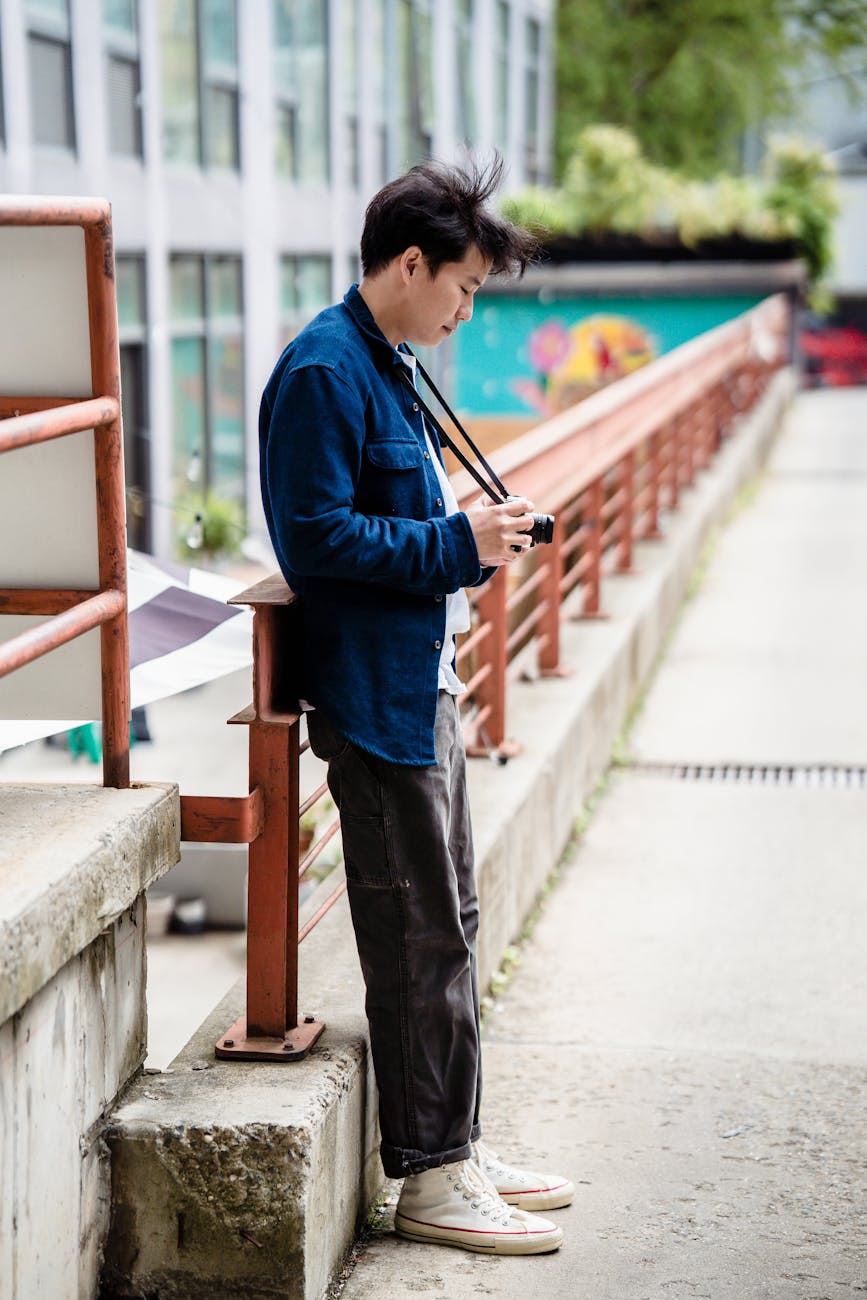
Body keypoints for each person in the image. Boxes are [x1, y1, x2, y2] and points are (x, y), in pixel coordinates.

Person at [259, 157, 573, 1256]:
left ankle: (458, 1148)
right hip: (376, 702)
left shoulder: (384, 360)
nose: (466, 306)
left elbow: (397, 531)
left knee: (453, 927)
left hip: (421, 686)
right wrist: (460, 542)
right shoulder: (323, 371)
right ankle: (431, 1179)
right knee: (415, 935)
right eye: (465, 286)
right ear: (409, 264)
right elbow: (317, 539)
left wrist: (479, 541)